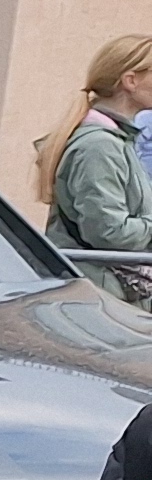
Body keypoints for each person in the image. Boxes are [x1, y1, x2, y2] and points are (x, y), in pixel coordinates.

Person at [43, 36, 152, 304]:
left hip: (109, 291)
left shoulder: (117, 140)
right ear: (130, 80)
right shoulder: (99, 146)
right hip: (102, 297)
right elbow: (108, 232)